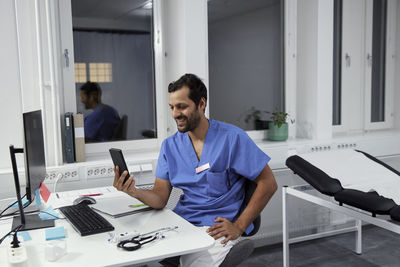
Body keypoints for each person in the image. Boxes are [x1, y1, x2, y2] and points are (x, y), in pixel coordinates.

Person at [113, 73, 277, 266]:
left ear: (201, 104)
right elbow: (159, 198)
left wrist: (239, 226)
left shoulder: (232, 138)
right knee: (132, 251)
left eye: (182, 106)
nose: (175, 114)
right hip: (183, 223)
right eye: (172, 107)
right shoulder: (170, 146)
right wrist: (133, 191)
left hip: (216, 227)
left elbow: (269, 183)